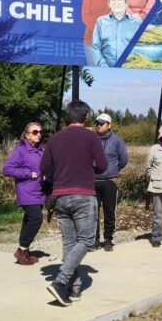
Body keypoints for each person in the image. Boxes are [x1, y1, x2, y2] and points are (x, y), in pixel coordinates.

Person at [40, 100, 107, 306]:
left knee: (69, 243)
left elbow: (43, 167)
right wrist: (87, 171)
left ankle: (74, 287)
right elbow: (103, 166)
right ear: (86, 117)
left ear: (67, 117)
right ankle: (61, 282)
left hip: (60, 196)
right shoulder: (91, 137)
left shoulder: (54, 139)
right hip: (84, 195)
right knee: (86, 240)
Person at [2, 122, 46, 265]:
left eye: (40, 132)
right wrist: (27, 173)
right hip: (27, 190)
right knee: (36, 218)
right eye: (35, 132)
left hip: (39, 191)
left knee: (28, 220)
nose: (38, 134)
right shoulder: (20, 150)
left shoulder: (41, 150)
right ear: (27, 135)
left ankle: (25, 253)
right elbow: (7, 169)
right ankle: (21, 249)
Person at [92, 113, 128, 251]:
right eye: (97, 123)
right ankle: (94, 240)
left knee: (109, 212)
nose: (98, 126)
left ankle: (108, 240)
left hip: (109, 181)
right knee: (93, 212)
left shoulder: (117, 140)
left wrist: (113, 170)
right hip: (93, 180)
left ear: (109, 125)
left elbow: (123, 159)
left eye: (101, 123)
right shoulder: (91, 139)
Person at [92, 0, 141, 67]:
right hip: (106, 70)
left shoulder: (137, 23)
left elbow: (141, 48)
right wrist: (103, 66)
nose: (116, 3)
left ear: (126, 3)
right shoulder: (101, 22)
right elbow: (95, 47)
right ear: (109, 4)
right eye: (113, 0)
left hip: (131, 70)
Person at [81, 0, 117, 65]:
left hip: (112, 43)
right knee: (95, 71)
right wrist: (100, 32)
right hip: (91, 41)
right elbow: (85, 15)